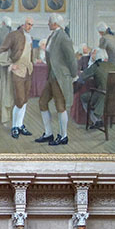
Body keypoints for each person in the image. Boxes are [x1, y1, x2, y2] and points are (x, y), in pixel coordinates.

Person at [35, 13, 78, 147]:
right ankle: (48, 133)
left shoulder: (64, 37)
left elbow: (71, 58)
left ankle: (63, 136)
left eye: (49, 22)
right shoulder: (52, 36)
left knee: (60, 106)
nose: (47, 24)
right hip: (52, 76)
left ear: (55, 24)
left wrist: (73, 74)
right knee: (42, 102)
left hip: (60, 77)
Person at [0, 16, 35, 139]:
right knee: (19, 99)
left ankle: (20, 125)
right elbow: (2, 50)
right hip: (17, 71)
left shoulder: (30, 37)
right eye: (28, 24)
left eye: (31, 25)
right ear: (22, 24)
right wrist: (10, 64)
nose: (30, 27)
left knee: (24, 99)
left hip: (28, 71)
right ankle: (14, 126)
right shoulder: (13, 35)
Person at [75, 47, 115, 131]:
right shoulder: (113, 65)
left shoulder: (96, 66)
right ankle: (98, 120)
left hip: (102, 95)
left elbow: (83, 77)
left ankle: (96, 120)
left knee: (83, 97)